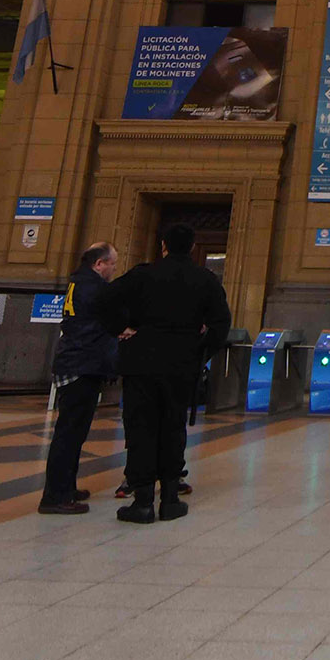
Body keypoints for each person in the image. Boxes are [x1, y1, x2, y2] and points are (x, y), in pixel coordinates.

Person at [101, 223, 230, 524]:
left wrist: (120, 328)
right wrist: (201, 350)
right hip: (181, 365)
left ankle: (143, 501)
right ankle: (170, 500)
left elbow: (103, 301)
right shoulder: (205, 279)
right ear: (192, 247)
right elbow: (221, 323)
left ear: (163, 246)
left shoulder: (143, 275)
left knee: (140, 427)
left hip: (142, 363)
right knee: (174, 427)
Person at [38, 243, 119, 515]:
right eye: (112, 265)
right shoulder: (95, 288)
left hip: (76, 361)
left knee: (74, 432)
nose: (113, 270)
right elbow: (114, 317)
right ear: (99, 264)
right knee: (70, 433)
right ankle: (55, 495)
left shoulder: (77, 283)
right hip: (82, 364)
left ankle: (66, 487)